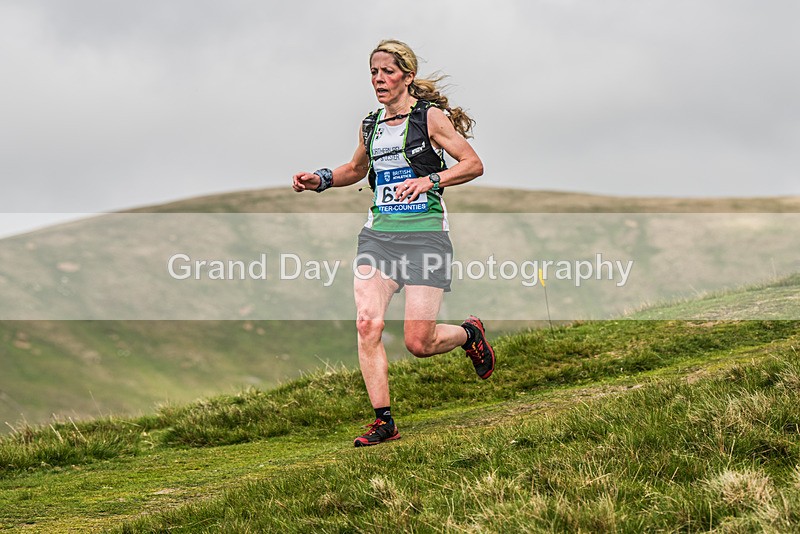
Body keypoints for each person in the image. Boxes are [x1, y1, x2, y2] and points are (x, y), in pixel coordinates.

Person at [292, 39, 494, 447]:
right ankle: (384, 422)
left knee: (419, 343)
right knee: (368, 323)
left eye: (387, 72)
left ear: (407, 76)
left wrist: (429, 180)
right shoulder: (370, 124)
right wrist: (322, 180)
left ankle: (470, 335)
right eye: (373, 72)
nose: (379, 79)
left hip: (425, 237)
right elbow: (354, 168)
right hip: (378, 238)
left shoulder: (430, 119)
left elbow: (473, 164)